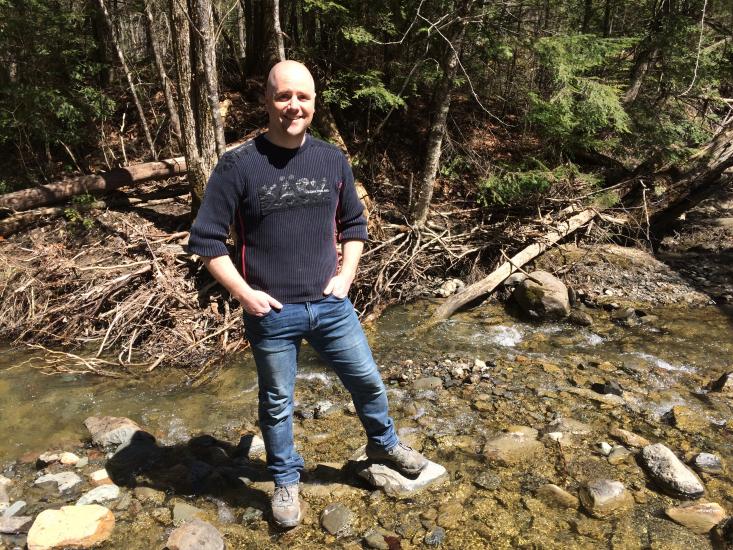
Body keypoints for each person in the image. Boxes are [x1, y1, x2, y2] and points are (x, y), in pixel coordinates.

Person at [187, 60, 428, 528]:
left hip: (331, 306)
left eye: (303, 96)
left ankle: (383, 444)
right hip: (272, 313)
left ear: (315, 103)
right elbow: (206, 240)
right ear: (267, 101)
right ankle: (285, 479)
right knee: (277, 403)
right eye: (283, 96)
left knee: (367, 381)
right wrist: (244, 294)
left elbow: (354, 224)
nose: (293, 105)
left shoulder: (331, 159)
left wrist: (346, 276)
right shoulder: (238, 165)